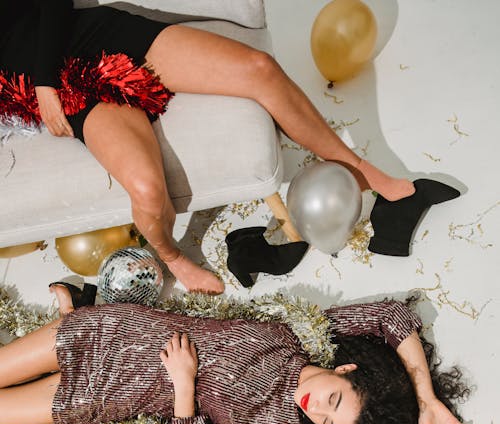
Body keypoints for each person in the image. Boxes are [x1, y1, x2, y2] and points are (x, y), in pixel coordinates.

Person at [0, 0, 419, 294]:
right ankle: (172, 256)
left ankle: (358, 168)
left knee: (260, 68)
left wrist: (43, 81)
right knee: (146, 190)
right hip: (74, 96)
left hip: (85, 42)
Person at [0, 285, 467, 424]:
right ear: (346, 369)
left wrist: (184, 387)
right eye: (334, 400)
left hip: (105, 394)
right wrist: (425, 398)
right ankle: (75, 311)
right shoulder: (302, 334)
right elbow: (391, 315)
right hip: (114, 329)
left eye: (326, 423)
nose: (316, 409)